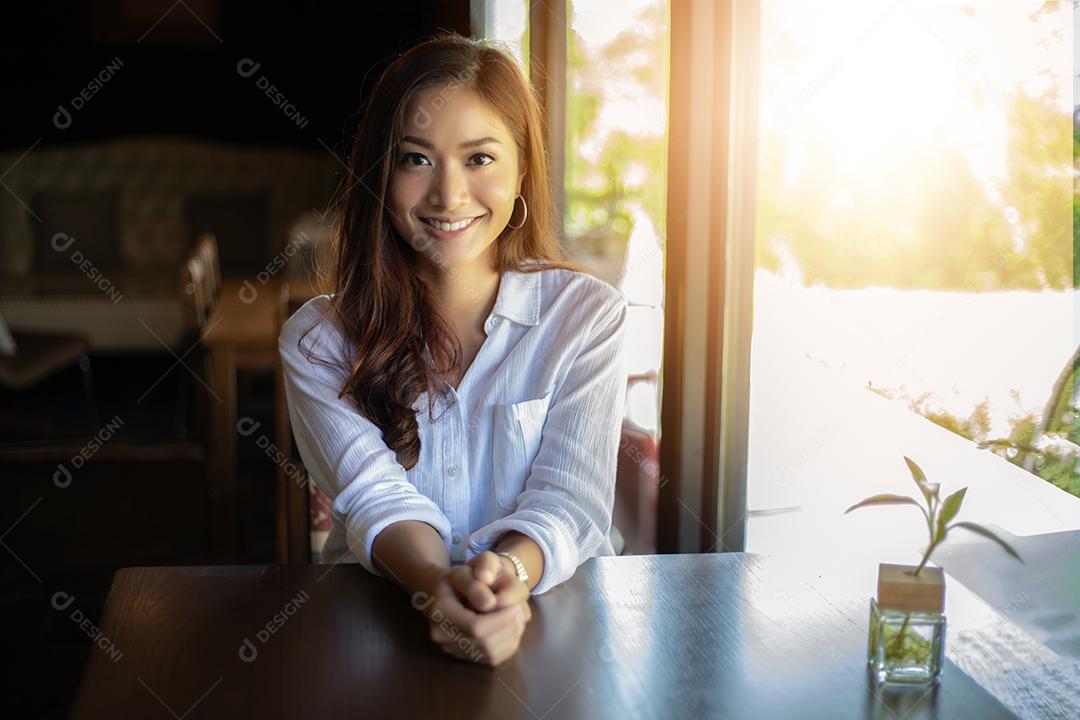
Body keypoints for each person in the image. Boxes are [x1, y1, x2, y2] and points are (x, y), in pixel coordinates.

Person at [279, 33, 628, 666]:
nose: (448, 195)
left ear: (522, 169)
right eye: (416, 159)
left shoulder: (586, 316)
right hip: (381, 630)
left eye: (480, 158)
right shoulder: (318, 339)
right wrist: (438, 589)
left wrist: (505, 585)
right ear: (379, 176)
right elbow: (373, 494)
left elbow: (569, 502)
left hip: (557, 633)